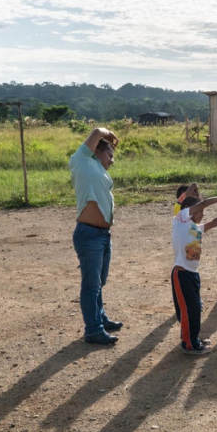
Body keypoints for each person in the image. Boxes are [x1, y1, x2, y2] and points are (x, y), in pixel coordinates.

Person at [69, 127, 123, 345]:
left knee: (98, 282)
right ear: (96, 151)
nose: (112, 160)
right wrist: (107, 134)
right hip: (89, 235)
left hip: (102, 234)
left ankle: (99, 318)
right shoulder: (82, 161)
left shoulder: (98, 170)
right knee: (91, 285)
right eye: (109, 155)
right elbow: (96, 131)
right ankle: (93, 329)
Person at [172, 194, 217, 354]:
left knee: (195, 309)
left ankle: (193, 339)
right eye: (200, 210)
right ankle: (188, 344)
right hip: (182, 275)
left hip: (193, 274)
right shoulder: (180, 219)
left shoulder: (195, 228)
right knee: (189, 310)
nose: (202, 213)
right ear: (190, 210)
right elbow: (206, 203)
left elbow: (215, 222)